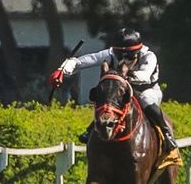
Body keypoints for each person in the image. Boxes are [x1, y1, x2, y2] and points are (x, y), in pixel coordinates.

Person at [48, 28, 178, 150]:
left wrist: (125, 75)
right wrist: (61, 71)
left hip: (146, 89)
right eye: (120, 56)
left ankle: (167, 134)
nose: (123, 60)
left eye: (128, 57)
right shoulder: (110, 54)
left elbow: (144, 76)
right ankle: (92, 129)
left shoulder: (149, 56)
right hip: (121, 89)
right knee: (106, 100)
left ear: (137, 52)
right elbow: (82, 61)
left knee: (145, 99)